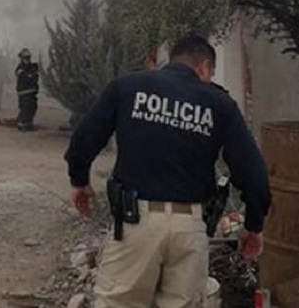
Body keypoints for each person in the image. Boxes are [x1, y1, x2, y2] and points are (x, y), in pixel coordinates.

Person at [64, 34, 271, 308]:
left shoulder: (127, 87)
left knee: (117, 303)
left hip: (135, 223)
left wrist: (79, 181)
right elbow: (253, 173)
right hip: (191, 229)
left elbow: (84, 139)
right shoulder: (220, 104)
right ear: (203, 68)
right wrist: (254, 225)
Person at [15, 48, 39, 131]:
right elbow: (25, 78)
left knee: (33, 107)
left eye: (28, 57)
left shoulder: (32, 67)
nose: (27, 59)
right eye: (26, 58)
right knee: (25, 108)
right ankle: (22, 124)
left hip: (32, 92)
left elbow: (35, 76)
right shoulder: (20, 68)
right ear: (22, 58)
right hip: (24, 92)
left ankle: (29, 124)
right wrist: (31, 76)